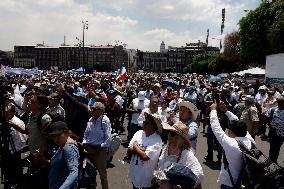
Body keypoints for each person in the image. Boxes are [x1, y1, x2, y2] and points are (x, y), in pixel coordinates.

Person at [210, 101, 255, 189]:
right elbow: (237, 121)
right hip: (246, 182)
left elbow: (216, 127)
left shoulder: (230, 143)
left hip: (229, 184)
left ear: (231, 132)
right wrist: (226, 110)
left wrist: (213, 110)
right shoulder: (250, 139)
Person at [158, 121, 204, 188]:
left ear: (179, 138)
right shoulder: (166, 147)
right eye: (169, 132)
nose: (169, 135)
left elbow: (199, 174)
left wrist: (183, 185)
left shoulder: (186, 153)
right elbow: (161, 165)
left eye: (172, 133)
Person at [127, 112, 163, 189]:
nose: (144, 123)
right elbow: (129, 150)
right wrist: (142, 149)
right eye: (144, 121)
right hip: (135, 174)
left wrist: (135, 146)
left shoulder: (157, 140)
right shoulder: (139, 133)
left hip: (145, 180)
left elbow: (145, 157)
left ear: (154, 126)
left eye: (147, 123)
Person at [83, 102, 112, 189]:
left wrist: (98, 148)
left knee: (102, 174)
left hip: (100, 151)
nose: (92, 110)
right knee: (88, 172)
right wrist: (84, 144)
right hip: (88, 150)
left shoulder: (105, 120)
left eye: (95, 109)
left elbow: (108, 139)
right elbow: (86, 134)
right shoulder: (91, 119)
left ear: (100, 111)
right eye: (92, 108)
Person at [48, 121, 80, 189]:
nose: (56, 138)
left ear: (66, 133)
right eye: (53, 136)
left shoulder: (68, 148)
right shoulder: (62, 145)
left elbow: (74, 172)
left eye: (59, 135)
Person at [267, 97, 284, 163]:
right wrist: (271, 127)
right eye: (279, 103)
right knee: (273, 147)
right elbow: (267, 118)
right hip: (273, 132)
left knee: (277, 147)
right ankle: (271, 160)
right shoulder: (272, 110)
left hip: (282, 133)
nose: (281, 105)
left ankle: (274, 160)